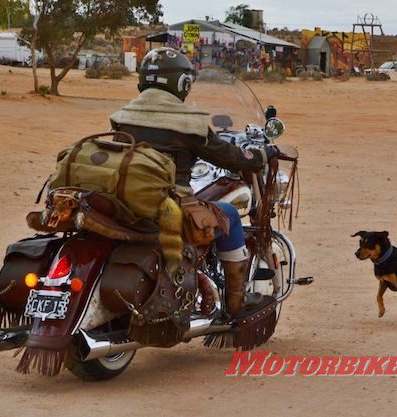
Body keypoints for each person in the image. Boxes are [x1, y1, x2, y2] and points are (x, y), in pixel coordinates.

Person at [109, 47, 278, 315]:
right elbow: (229, 156)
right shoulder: (187, 122)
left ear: (142, 81)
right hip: (167, 207)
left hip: (124, 203)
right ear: (183, 83)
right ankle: (237, 302)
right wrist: (261, 155)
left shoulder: (122, 116)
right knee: (230, 215)